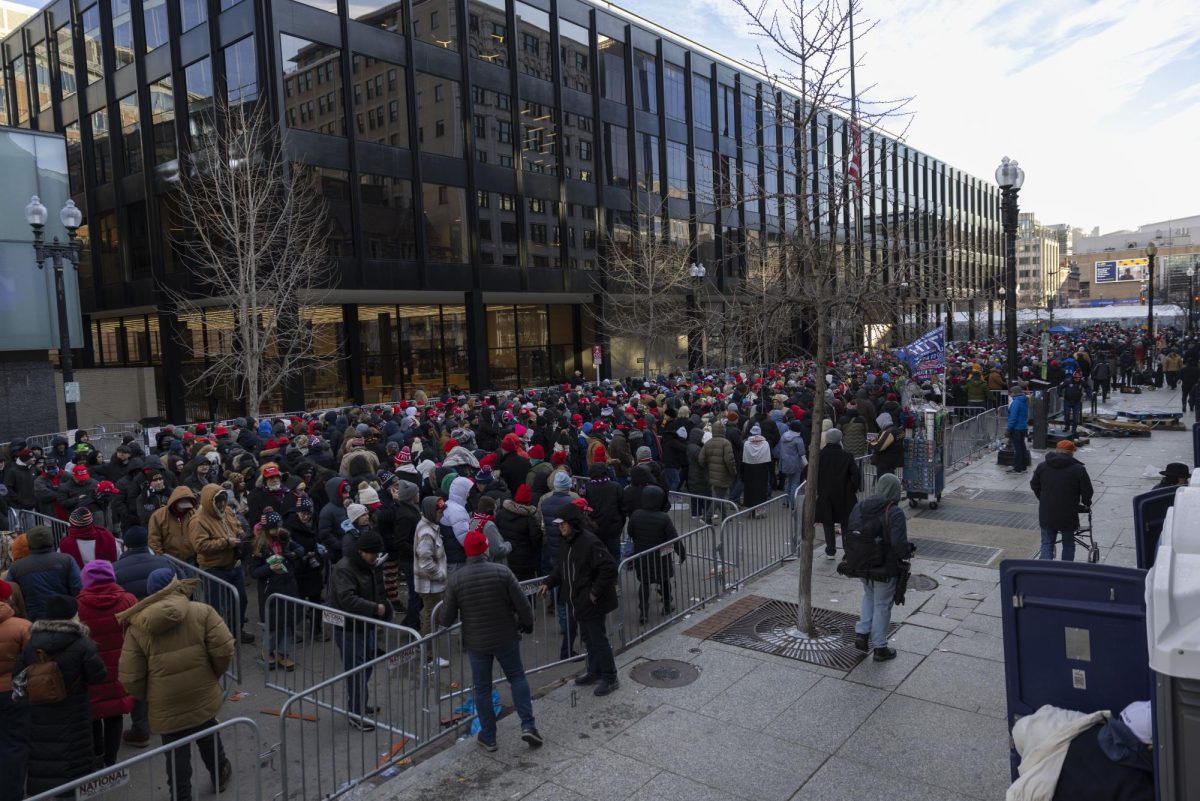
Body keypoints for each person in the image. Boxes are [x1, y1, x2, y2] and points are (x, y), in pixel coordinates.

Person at [118, 570, 235, 801]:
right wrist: (213, 674)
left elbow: (130, 676)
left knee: (175, 752)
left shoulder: (137, 626)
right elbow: (224, 649)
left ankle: (181, 795)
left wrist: (151, 694)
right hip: (202, 692)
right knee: (208, 733)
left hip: (165, 703)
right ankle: (220, 773)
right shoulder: (202, 611)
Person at [438, 528, 542, 752]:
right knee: (517, 678)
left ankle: (489, 736)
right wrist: (528, 623)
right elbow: (522, 604)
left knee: (482, 689)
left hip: (477, 642)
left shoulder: (457, 580)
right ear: (485, 548)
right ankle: (528, 726)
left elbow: (445, 618)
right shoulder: (502, 572)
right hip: (506, 635)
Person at [13, 594, 107, 797]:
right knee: (74, 769)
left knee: (44, 763)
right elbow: (98, 676)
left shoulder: (32, 644)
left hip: (40, 715)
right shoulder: (82, 643)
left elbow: (18, 676)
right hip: (74, 715)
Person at [539, 505, 619, 696]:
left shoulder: (590, 542)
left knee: (598, 639)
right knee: (588, 639)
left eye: (563, 524)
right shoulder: (566, 542)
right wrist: (548, 583)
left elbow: (609, 567)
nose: (560, 527)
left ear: (572, 523)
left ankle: (610, 677)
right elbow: (562, 568)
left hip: (591, 602)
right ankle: (594, 671)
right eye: (559, 524)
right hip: (578, 601)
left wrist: (594, 593)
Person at [110, 525, 171, 748]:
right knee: (163, 673)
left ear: (125, 545)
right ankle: (165, 718)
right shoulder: (165, 563)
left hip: (135, 631)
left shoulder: (116, 568)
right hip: (166, 626)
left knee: (138, 677)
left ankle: (141, 729)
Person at [839, 473, 911, 662]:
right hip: (884, 567)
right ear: (894, 490)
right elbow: (899, 544)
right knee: (882, 604)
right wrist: (908, 551)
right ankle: (880, 647)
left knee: (869, 596)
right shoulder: (894, 512)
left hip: (861, 563)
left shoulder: (860, 505)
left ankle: (862, 633)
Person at [329, 530, 393, 731]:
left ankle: (359, 705)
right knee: (356, 670)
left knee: (367, 664)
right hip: (350, 628)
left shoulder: (368, 565)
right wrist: (375, 608)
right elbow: (347, 598)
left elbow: (376, 591)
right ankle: (355, 713)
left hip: (366, 624)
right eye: (373, 554)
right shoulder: (345, 569)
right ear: (362, 551)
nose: (376, 557)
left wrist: (382, 609)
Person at [75, 560, 137, 767]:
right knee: (114, 712)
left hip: (91, 669)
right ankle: (111, 760)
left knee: (93, 712)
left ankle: (97, 754)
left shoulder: (78, 605)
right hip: (120, 666)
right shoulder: (128, 600)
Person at [187, 485, 254, 644]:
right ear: (209, 502)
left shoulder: (228, 511)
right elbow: (200, 546)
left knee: (240, 600)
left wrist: (240, 534)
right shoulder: (198, 520)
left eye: (224, 501)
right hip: (213, 568)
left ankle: (236, 630)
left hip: (234, 565)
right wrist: (225, 542)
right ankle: (216, 637)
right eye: (218, 502)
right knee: (215, 606)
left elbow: (236, 524)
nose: (222, 505)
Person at [248, 509, 304, 671]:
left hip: (287, 585)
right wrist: (269, 567)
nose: (277, 530)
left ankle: (283, 653)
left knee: (287, 622)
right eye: (274, 528)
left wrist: (293, 554)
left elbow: (300, 549)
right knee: (272, 625)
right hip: (270, 590)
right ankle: (268, 651)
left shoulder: (284, 537)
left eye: (278, 527)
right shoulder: (259, 545)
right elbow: (254, 572)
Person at [626, 485, 684, 624]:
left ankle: (644, 613)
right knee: (664, 581)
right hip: (661, 557)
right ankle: (667, 605)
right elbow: (673, 538)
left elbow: (630, 532)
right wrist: (682, 553)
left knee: (644, 584)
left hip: (642, 555)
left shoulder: (636, 515)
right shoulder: (663, 518)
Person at [1030, 440, 1094, 561]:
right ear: (1071, 453)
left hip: (1047, 512)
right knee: (1068, 543)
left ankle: (1045, 572)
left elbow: (1034, 485)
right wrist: (1086, 503)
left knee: (1047, 543)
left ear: (1056, 450)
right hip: (1068, 513)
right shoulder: (1078, 469)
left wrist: (1043, 498)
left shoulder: (1042, 466)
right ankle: (1065, 570)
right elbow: (1087, 491)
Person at [5, 525, 81, 622]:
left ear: (30, 543)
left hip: (33, 620)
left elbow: (9, 595)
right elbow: (77, 588)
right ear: (51, 539)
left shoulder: (16, 567)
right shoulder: (67, 559)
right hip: (65, 616)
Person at [0, 578, 32, 801]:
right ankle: (12, 794)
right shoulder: (22, 626)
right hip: (12, 692)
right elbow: (33, 661)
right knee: (14, 744)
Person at [815, 429, 861, 560]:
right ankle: (847, 552)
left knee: (827, 523)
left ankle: (830, 550)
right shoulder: (847, 456)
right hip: (844, 494)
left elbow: (809, 472)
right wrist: (852, 488)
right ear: (840, 439)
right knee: (846, 524)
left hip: (826, 493)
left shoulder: (820, 455)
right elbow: (856, 475)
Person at [495, 484, 542, 581]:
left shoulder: (500, 514)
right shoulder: (530, 519)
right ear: (529, 500)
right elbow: (536, 539)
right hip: (525, 561)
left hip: (506, 556)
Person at [1007, 385, 1030, 474]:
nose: (1010, 394)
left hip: (1016, 428)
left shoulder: (1016, 402)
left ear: (1015, 393)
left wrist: (1009, 429)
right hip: (1023, 427)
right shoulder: (1024, 401)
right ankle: (1023, 467)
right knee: (1022, 447)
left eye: (1011, 392)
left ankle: (1017, 468)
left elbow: (1013, 416)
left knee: (1018, 449)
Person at [1059, 372, 1088, 436]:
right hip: (1067, 401)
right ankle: (1067, 426)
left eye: (1079, 378)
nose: (1077, 379)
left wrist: (1086, 393)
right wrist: (1060, 395)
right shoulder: (1067, 381)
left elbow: (1088, 388)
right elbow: (1060, 387)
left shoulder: (1082, 382)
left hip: (1077, 402)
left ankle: (1074, 429)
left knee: (1076, 416)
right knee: (1066, 414)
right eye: (1076, 378)